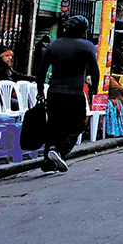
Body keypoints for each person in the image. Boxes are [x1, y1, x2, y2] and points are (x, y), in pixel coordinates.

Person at [36, 15, 100, 173]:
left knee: (53, 126)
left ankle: (48, 164)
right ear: (84, 30)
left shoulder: (54, 45)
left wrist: (39, 91)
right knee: (78, 125)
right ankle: (58, 150)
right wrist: (94, 89)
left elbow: (41, 70)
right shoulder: (87, 46)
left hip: (54, 92)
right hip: (74, 93)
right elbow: (95, 70)